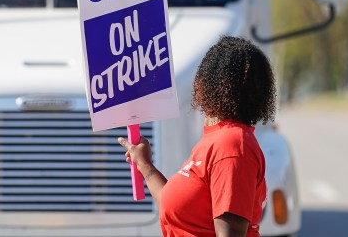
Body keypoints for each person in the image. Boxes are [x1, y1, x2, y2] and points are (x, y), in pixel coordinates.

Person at [118, 36, 276, 237]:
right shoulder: (218, 140)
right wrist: (145, 166)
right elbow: (177, 208)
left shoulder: (232, 146)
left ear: (206, 86)